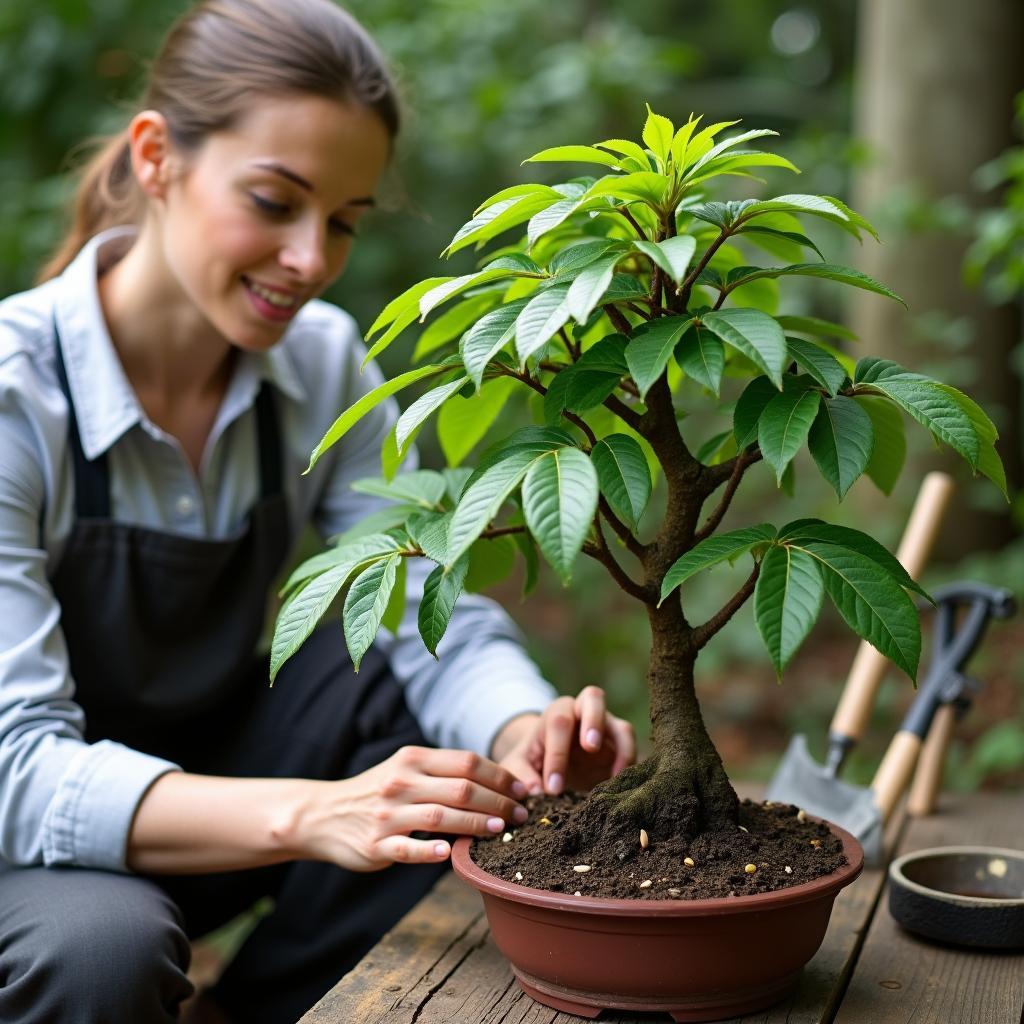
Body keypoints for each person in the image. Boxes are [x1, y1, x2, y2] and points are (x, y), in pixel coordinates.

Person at [0, 1, 636, 1021]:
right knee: (101, 948)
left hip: (209, 805)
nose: (312, 260)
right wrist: (312, 811)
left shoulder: (320, 360)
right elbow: (16, 773)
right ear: (157, 157)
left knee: (445, 760)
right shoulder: (15, 394)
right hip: (29, 854)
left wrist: (525, 731)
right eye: (273, 200)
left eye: (343, 219)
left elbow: (422, 598)